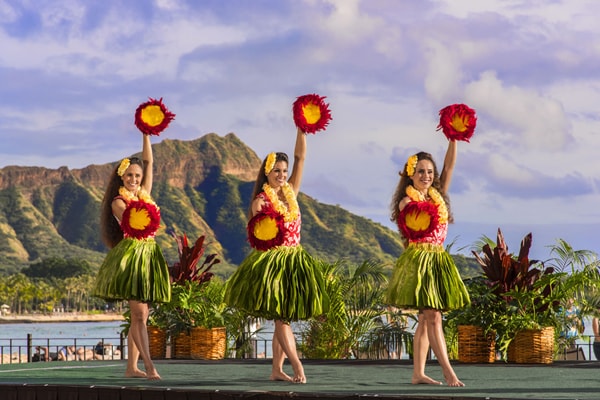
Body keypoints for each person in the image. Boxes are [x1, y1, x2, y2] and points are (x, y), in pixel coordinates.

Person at [224, 127, 329, 384]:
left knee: (283, 318)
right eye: (276, 171)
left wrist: (301, 129)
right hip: (274, 264)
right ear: (267, 173)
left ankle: (276, 370)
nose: (282, 175)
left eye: (284, 171)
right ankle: (297, 366)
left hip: (295, 261)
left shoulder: (292, 190)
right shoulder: (261, 200)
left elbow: (300, 158)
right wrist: (256, 211)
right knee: (282, 319)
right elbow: (255, 233)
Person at [386, 140, 470, 387]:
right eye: (421, 171)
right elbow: (415, 223)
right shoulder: (407, 202)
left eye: (430, 172)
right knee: (433, 317)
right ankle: (448, 372)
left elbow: (450, 165)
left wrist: (453, 138)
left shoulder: (438, 195)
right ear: (410, 173)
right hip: (419, 262)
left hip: (438, 259)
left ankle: (418, 374)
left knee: (425, 320)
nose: (426, 175)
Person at [92, 133, 171, 380]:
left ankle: (131, 368)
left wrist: (146, 133)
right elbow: (134, 221)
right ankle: (149, 366)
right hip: (132, 258)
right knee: (138, 315)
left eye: (137, 176)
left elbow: (150, 162)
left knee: (142, 316)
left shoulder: (143, 193)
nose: (135, 179)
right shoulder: (118, 202)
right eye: (129, 175)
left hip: (148, 256)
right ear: (121, 177)